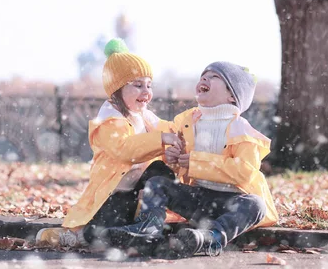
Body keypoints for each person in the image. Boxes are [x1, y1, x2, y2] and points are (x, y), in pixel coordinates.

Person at [102, 61, 279, 258]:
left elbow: (243, 172)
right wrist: (173, 159)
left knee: (256, 205)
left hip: (231, 202)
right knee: (157, 183)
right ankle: (147, 229)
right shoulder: (187, 121)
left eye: (214, 77)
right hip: (199, 199)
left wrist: (195, 162)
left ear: (232, 96)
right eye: (204, 75)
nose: (205, 78)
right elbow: (178, 160)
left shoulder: (241, 129)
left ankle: (211, 237)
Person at [35, 38, 181, 249]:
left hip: (136, 189)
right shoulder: (109, 120)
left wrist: (186, 130)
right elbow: (125, 149)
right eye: (138, 85)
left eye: (149, 85)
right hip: (114, 193)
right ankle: (82, 236)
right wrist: (161, 139)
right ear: (118, 89)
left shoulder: (144, 115)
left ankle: (149, 223)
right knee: (104, 230)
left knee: (160, 171)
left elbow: (167, 128)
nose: (146, 92)